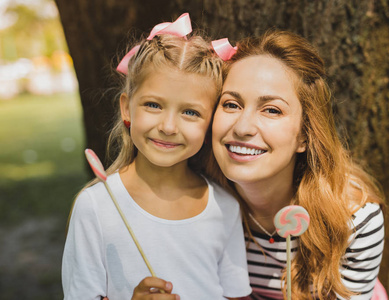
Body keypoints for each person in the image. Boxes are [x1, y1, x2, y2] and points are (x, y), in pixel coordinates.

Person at [62, 13, 251, 300]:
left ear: (211, 122)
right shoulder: (96, 208)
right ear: (127, 109)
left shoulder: (225, 207)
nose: (168, 127)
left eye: (190, 112)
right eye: (153, 105)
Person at [208, 30, 385, 300]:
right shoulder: (196, 206)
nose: (243, 128)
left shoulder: (353, 221)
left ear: (304, 135)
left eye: (272, 110)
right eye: (231, 104)